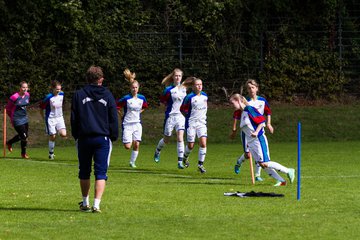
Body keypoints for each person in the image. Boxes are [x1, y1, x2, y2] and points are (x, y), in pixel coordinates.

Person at [71, 65, 119, 213]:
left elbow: (74, 118)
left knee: (84, 171)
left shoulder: (79, 94)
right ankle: (96, 204)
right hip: (102, 138)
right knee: (101, 172)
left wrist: (76, 135)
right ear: (101, 79)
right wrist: (114, 135)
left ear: (87, 78)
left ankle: (85, 202)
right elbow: (113, 118)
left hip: (84, 138)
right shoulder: (108, 95)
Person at [229, 93, 295, 186]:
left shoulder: (249, 109)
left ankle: (288, 170)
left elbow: (262, 121)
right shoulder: (242, 113)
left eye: (232, 103)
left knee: (265, 162)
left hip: (259, 140)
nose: (232, 106)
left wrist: (256, 132)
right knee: (262, 164)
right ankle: (282, 181)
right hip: (251, 144)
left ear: (239, 101)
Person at [231, 79, 274, 181]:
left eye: (253, 87)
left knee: (258, 152)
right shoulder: (245, 102)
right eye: (249, 88)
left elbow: (268, 112)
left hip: (258, 129)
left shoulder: (262, 101)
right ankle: (239, 162)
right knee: (248, 154)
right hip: (246, 132)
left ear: (257, 88)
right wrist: (234, 129)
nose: (251, 90)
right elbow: (237, 116)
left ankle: (257, 175)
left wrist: (268, 124)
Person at [153, 68, 187, 168]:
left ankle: (180, 162)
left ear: (181, 77)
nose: (177, 77)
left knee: (180, 137)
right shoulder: (168, 90)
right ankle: (157, 151)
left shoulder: (184, 88)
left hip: (180, 117)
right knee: (166, 139)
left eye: (179, 76)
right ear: (173, 77)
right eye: (176, 75)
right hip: (170, 117)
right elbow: (162, 102)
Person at [117, 68, 148, 168]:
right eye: (133, 87)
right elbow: (117, 106)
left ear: (138, 88)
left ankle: (132, 162)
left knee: (137, 144)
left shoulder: (142, 98)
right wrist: (121, 115)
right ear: (130, 88)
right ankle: (126, 140)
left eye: (136, 87)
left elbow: (145, 107)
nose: (134, 89)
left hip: (137, 124)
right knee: (127, 146)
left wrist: (139, 112)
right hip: (127, 124)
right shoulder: (126, 98)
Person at [180, 77, 208, 173]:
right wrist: (188, 117)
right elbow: (182, 109)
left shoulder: (205, 96)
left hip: (202, 123)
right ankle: (185, 157)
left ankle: (200, 165)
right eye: (197, 84)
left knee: (203, 143)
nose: (199, 86)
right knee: (191, 145)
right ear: (193, 86)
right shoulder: (189, 97)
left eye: (200, 84)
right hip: (191, 123)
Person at [39, 80, 67, 160]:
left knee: (63, 134)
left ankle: (57, 130)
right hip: (50, 118)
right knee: (53, 136)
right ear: (53, 88)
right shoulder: (48, 97)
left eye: (60, 89)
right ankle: (51, 154)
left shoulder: (62, 94)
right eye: (57, 89)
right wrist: (43, 117)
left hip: (60, 117)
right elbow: (41, 108)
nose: (59, 91)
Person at [6, 81, 31, 159]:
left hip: (24, 118)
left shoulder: (27, 95)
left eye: (26, 87)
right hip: (16, 119)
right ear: (20, 88)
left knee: (23, 136)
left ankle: (9, 142)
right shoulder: (14, 97)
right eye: (23, 87)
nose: (25, 89)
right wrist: (12, 118)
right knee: (24, 136)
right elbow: (8, 109)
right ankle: (23, 154)